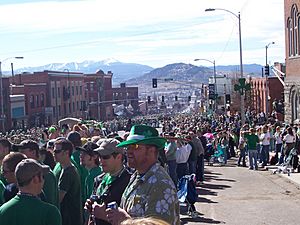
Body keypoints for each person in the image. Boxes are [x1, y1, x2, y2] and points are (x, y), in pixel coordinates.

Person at [97, 125, 180, 225]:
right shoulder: (136, 176)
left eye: (135, 147)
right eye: (127, 147)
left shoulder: (160, 185)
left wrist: (124, 220)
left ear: (151, 151)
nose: (128, 151)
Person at [0, 158, 61, 225]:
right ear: (35, 179)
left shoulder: (3, 210)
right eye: (42, 176)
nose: (44, 180)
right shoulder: (50, 212)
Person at [85, 138, 131, 225]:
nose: (101, 161)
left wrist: (104, 216)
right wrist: (91, 207)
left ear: (119, 157)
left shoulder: (129, 181)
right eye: (100, 156)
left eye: (105, 157)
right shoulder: (99, 179)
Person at [17, 139, 59, 208]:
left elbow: (49, 203)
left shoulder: (46, 174)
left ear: (33, 152)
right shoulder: (25, 171)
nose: (20, 155)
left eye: (23, 152)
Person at [54, 139, 82, 225]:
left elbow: (58, 199)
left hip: (70, 219)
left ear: (66, 153)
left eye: (57, 151)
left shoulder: (68, 173)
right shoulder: (68, 169)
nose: (54, 153)